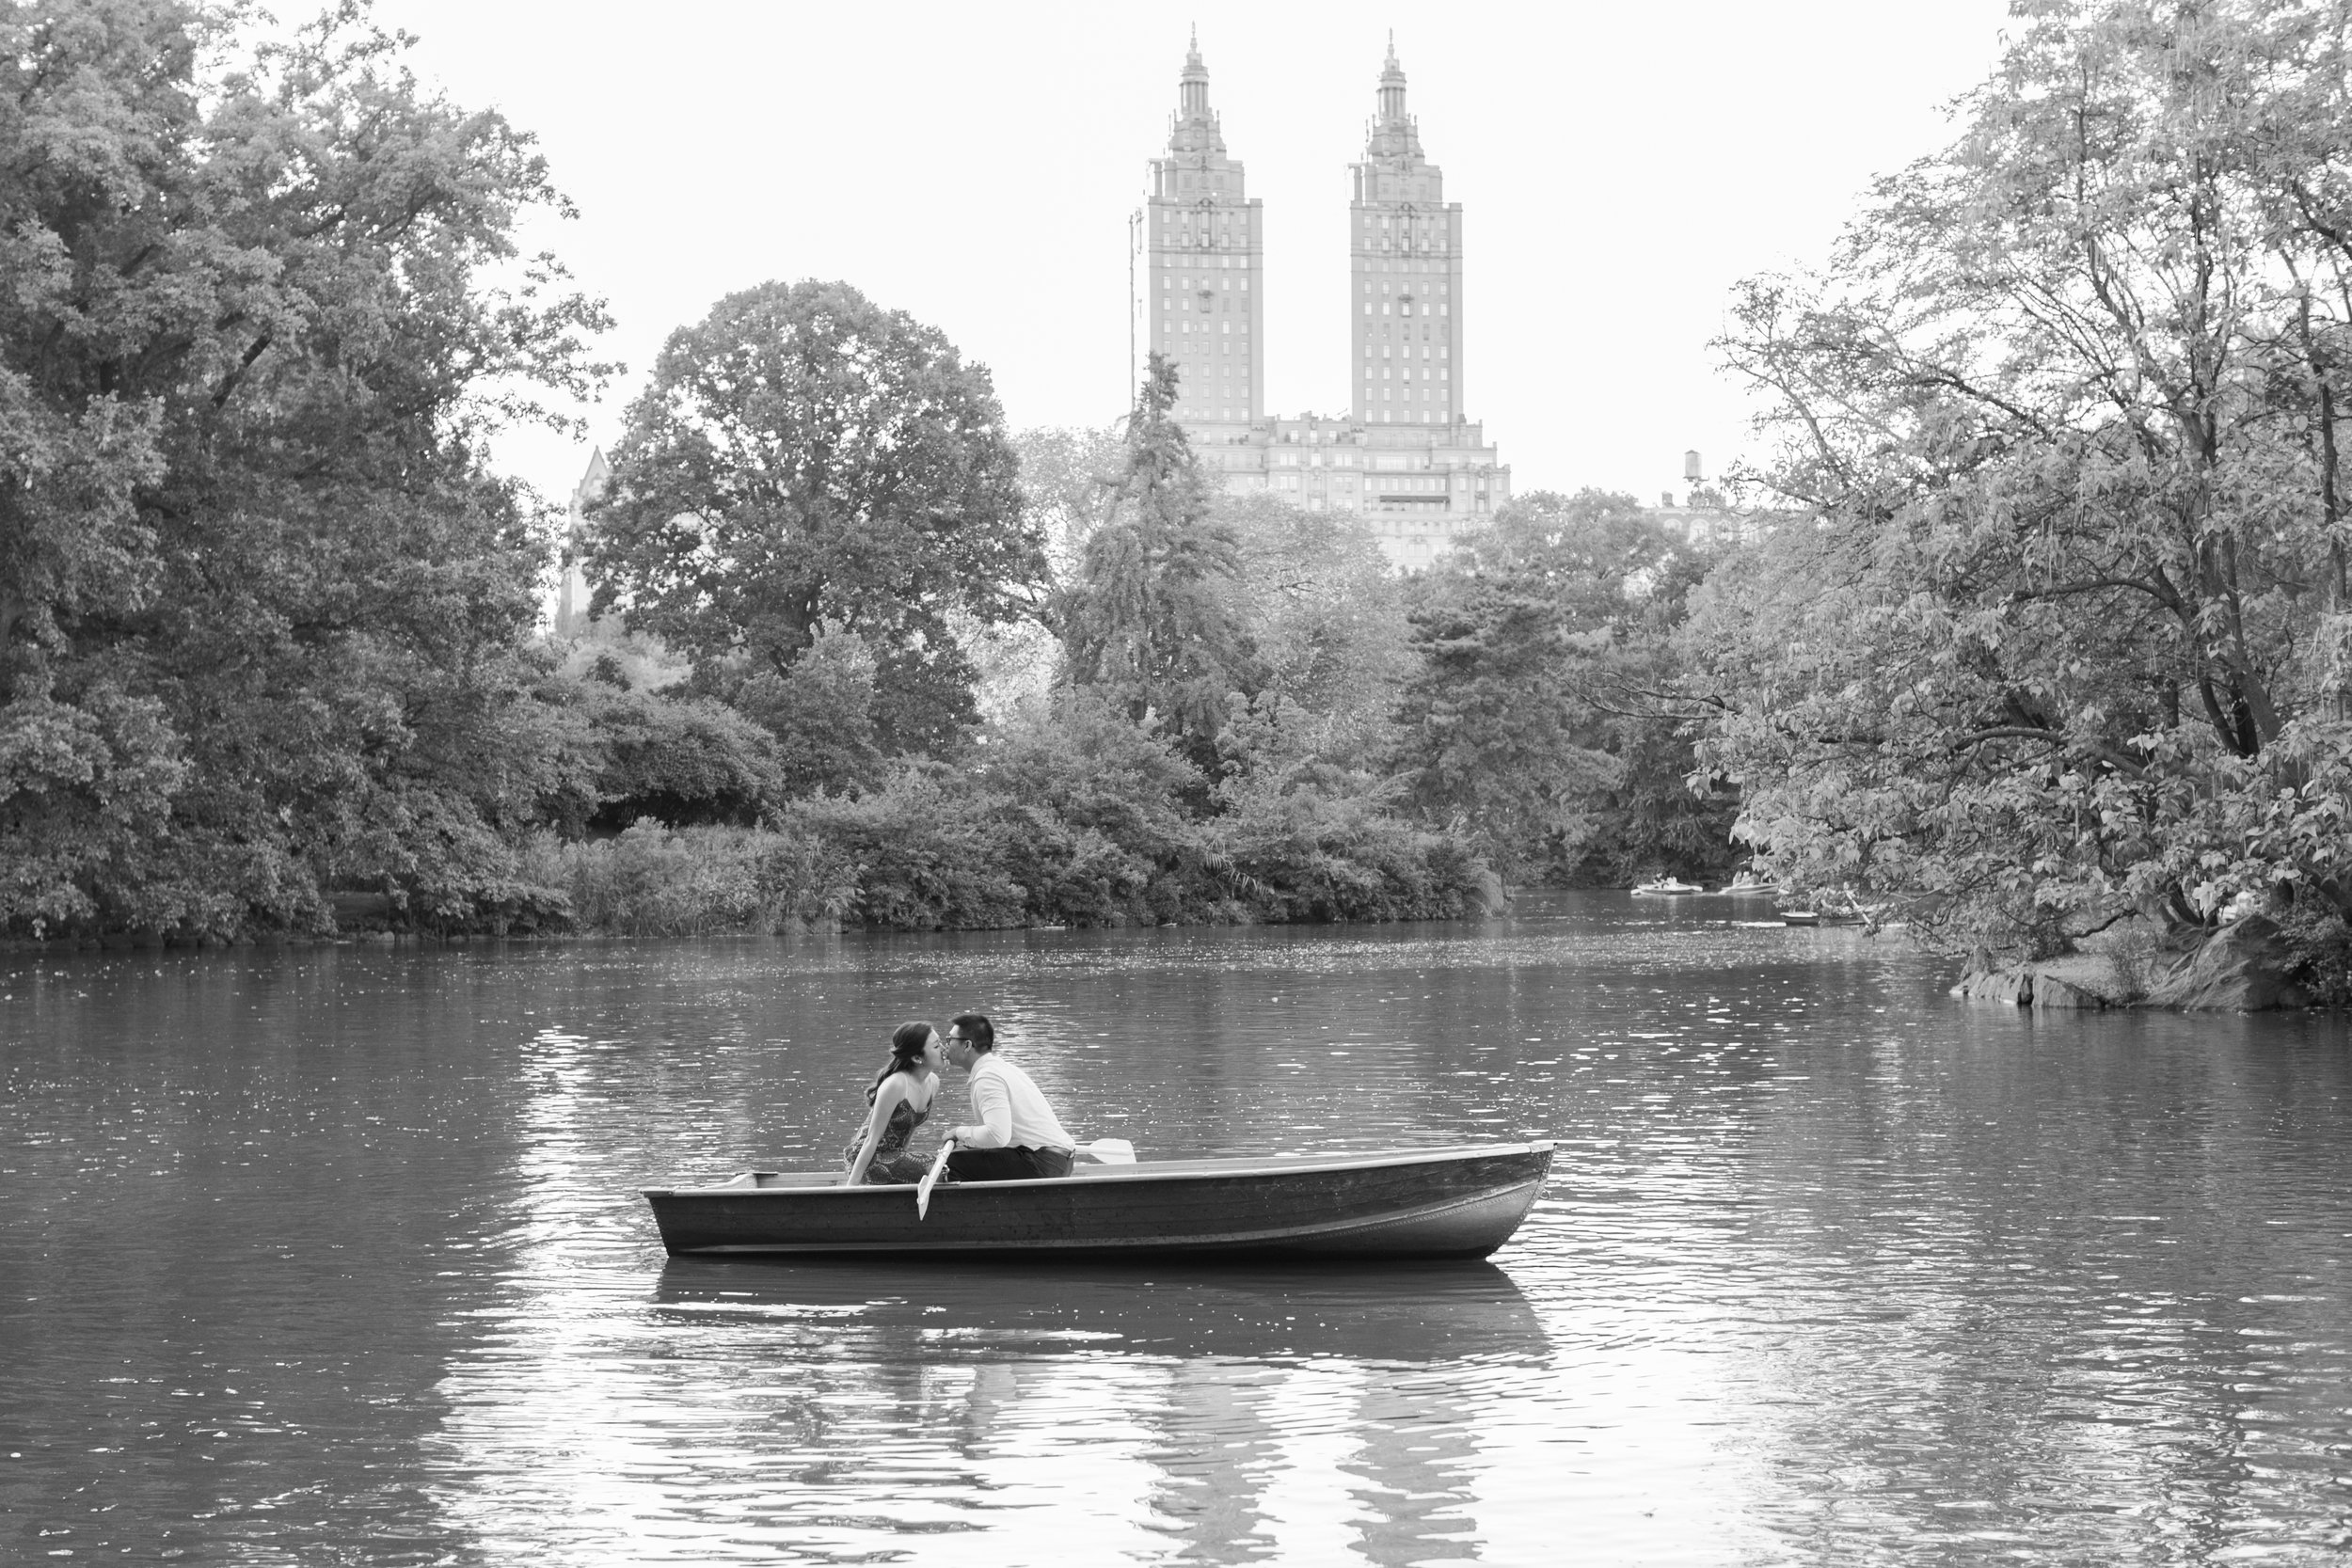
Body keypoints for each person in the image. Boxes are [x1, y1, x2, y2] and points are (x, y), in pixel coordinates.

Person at [940, 1012, 1076, 1181]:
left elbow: (997, 1135)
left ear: (967, 1045)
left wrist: (958, 1132)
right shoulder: (1002, 1068)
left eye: (949, 1040)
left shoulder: (987, 1077)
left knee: (951, 1163)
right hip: (1057, 1161)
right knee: (968, 1155)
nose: (945, 1046)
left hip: (1042, 1163)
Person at [841, 1021, 946, 1185]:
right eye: (936, 1046)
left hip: (894, 1156)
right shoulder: (896, 1084)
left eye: (940, 1042)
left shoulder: (933, 1082)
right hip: (869, 1159)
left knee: (941, 1166)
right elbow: (871, 1139)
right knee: (931, 1165)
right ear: (917, 1057)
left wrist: (906, 1163)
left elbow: (910, 1131)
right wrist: (850, 1189)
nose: (943, 1049)